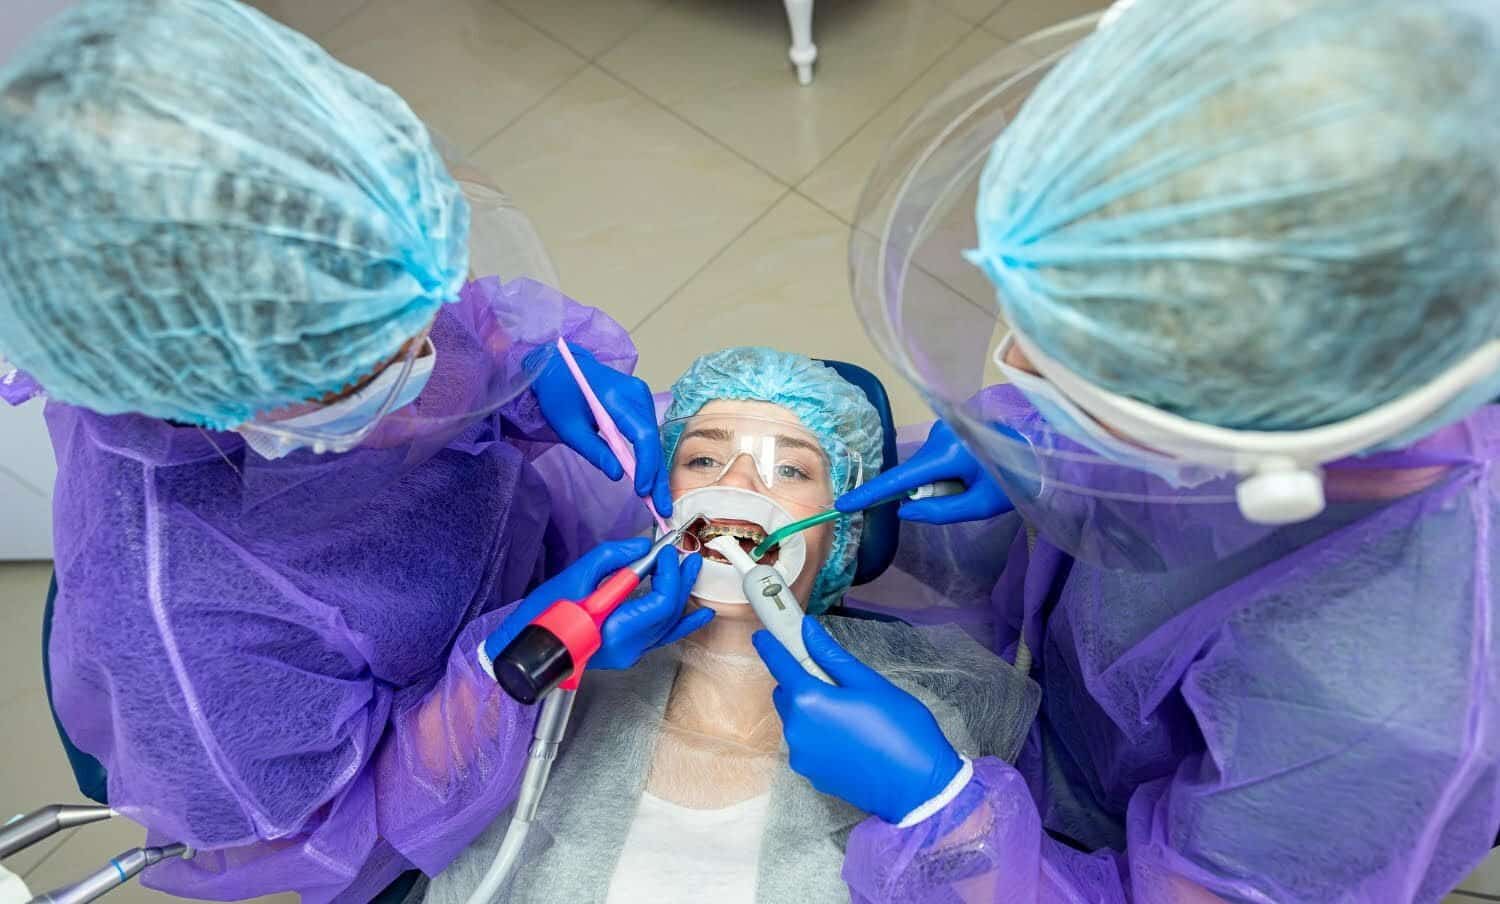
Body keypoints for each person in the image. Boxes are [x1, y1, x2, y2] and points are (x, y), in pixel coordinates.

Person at [777, 1, 1500, 901]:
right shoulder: (1322, 302)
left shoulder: (1386, 709)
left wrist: (947, 821)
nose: (1017, 364)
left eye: (1094, 380)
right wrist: (1043, 460)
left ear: (1264, 440)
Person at [0, 1, 703, 900]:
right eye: (374, 364)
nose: (439, 350)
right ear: (210, 399)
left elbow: (428, 319)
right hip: (430, 775)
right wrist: (504, 679)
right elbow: (337, 833)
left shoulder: (317, 257)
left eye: (429, 305)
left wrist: (527, 363)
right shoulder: (187, 631)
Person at [425, 346, 1039, 904]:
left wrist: (938, 812)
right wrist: (503, 674)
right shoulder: (560, 680)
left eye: (790, 470)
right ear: (658, 500)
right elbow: (410, 803)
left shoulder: (916, 736)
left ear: (842, 532)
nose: (737, 483)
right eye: (703, 458)